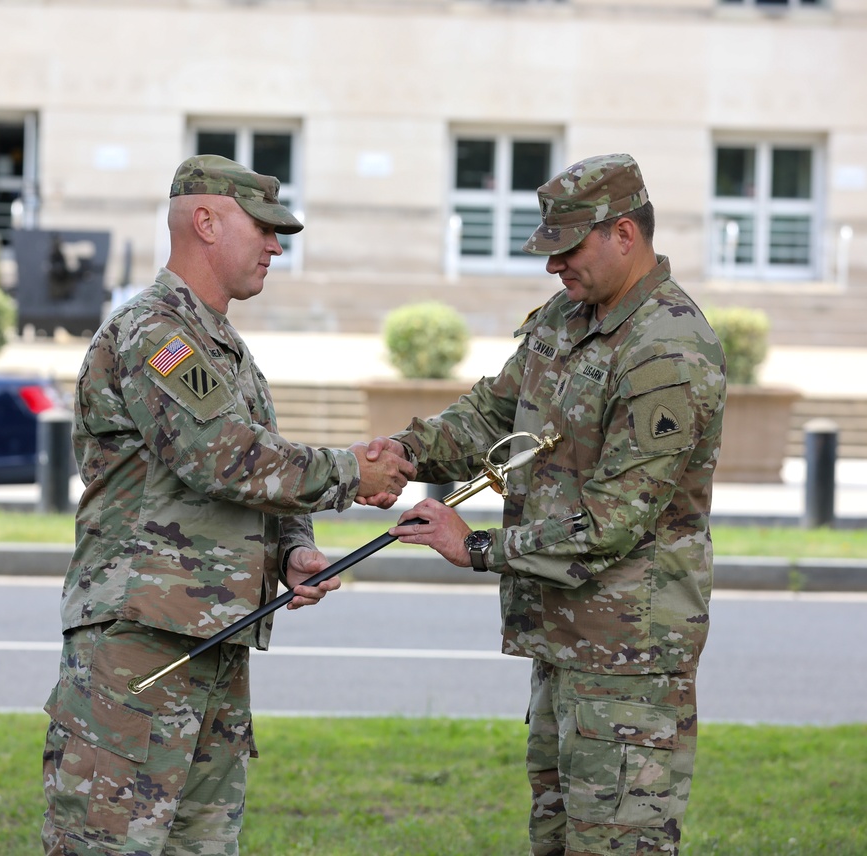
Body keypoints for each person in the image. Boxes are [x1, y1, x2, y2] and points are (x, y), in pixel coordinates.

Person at [41, 154, 415, 856]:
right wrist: (351, 472)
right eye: (265, 228)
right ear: (206, 222)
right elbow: (223, 458)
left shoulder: (225, 350)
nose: (277, 246)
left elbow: (254, 467)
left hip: (209, 645)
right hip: (138, 646)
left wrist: (292, 549)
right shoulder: (155, 334)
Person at [375, 153, 726, 856]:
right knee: (557, 838)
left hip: (629, 660)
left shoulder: (668, 349)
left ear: (624, 234)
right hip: (565, 645)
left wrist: (475, 548)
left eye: (567, 249)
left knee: (618, 843)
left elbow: (612, 523)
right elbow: (491, 417)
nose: (553, 267)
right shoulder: (567, 320)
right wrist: (398, 456)